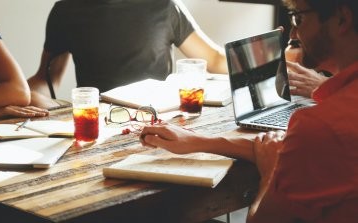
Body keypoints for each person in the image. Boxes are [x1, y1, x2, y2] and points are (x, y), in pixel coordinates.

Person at [140, 0, 358, 222]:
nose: (293, 32)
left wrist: (270, 174)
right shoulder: (328, 126)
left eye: (298, 18)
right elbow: (287, 146)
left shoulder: (321, 127)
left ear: (342, 19)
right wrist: (200, 141)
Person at [28, 0, 228, 109]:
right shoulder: (66, 10)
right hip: (98, 121)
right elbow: (46, 79)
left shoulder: (164, 6)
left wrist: (257, 63)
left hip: (156, 119)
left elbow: (214, 60)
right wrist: (27, 96)